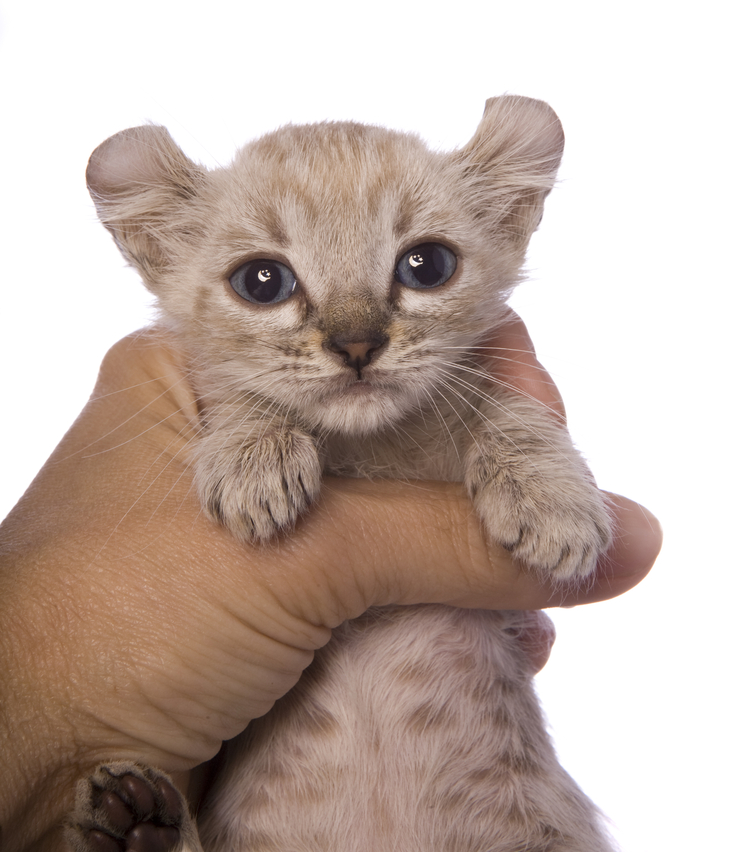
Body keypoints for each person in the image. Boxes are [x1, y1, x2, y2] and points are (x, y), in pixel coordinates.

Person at [0, 318, 661, 851]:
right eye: (266, 281)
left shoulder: (466, 395)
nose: (354, 335)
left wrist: (513, 443)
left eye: (424, 265)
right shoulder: (228, 405)